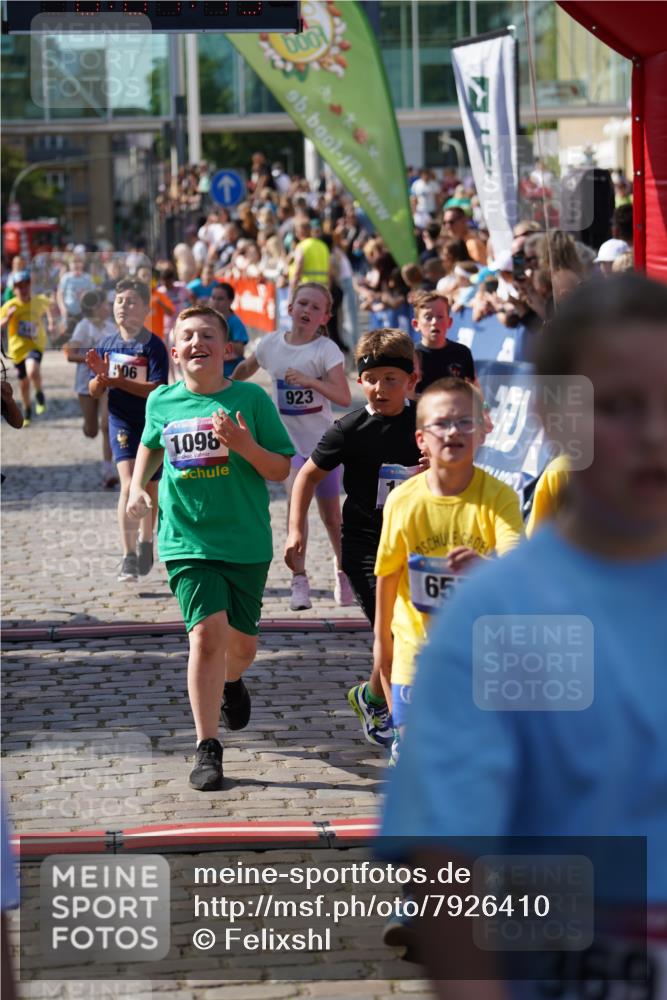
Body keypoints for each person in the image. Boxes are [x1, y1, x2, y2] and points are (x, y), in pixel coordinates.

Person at [381, 274, 667, 997]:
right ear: (553, 417)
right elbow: (448, 865)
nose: (654, 433)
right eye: (620, 407)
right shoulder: (499, 620)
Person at [126, 306, 294, 791]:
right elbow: (150, 443)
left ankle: (231, 681)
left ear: (226, 349)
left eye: (207, 335)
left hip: (245, 542)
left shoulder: (250, 400)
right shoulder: (162, 400)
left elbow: (280, 470)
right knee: (205, 636)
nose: (197, 342)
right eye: (187, 337)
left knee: (241, 647)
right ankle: (207, 747)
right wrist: (139, 486)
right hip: (186, 540)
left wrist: (242, 443)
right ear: (175, 352)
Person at [285, 328, 423, 749]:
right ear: (358, 380)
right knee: (394, 638)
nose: (380, 388)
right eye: (372, 378)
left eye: (391, 379)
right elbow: (306, 477)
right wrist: (296, 531)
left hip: (418, 545)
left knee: (408, 638)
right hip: (366, 547)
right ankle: (404, 736)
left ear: (411, 381)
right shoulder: (349, 429)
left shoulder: (426, 423)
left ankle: (370, 696)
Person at [375, 377, 523, 765]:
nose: (454, 431)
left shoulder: (498, 497)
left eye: (465, 422)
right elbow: (388, 574)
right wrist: (381, 644)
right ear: (421, 438)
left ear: (482, 433)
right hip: (415, 652)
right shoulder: (403, 501)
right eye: (442, 423)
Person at [233, 282, 353, 611]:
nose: (307, 311)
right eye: (302, 303)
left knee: (332, 518)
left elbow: (343, 396)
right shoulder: (270, 344)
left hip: (325, 447)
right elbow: (245, 369)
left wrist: (311, 381)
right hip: (289, 448)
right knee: (295, 518)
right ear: (289, 308)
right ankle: (299, 580)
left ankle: (343, 571)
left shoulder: (325, 350)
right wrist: (222, 387)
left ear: (325, 317)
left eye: (316, 308)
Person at [86, 278, 169, 582]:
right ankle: (128, 555)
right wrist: (101, 380)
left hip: (151, 422)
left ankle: (147, 540)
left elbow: (157, 389)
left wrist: (117, 380)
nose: (124, 306)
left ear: (146, 309)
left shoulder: (153, 345)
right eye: (120, 301)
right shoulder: (107, 344)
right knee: (127, 485)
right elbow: (94, 389)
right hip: (121, 421)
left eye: (132, 301)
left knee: (149, 487)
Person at [65, 289, 118, 489]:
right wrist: (91, 359)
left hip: (106, 381)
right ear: (96, 308)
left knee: (106, 425)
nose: (109, 308)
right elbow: (70, 354)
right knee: (92, 431)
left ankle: (108, 470)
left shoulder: (112, 328)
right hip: (84, 383)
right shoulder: (83, 327)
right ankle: (88, 425)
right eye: (105, 304)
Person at [0, 270, 58, 425]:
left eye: (25, 285)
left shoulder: (39, 300)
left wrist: (52, 322)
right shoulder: (10, 306)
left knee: (32, 370)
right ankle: (26, 411)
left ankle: (39, 394)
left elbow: (50, 307)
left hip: (35, 345)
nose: (23, 289)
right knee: (24, 384)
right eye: (19, 286)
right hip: (17, 350)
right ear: (14, 289)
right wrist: (7, 318)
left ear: (30, 285)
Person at [412, 291, 475, 393]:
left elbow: (472, 387)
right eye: (428, 317)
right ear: (416, 324)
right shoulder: (411, 356)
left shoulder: (462, 352)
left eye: (440, 316)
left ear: (449, 322)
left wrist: (481, 405)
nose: (434, 322)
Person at [208, 282, 249, 379]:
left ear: (230, 301)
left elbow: (240, 350)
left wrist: (218, 339)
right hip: (213, 372)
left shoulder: (235, 322)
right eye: (213, 298)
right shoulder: (208, 320)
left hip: (231, 373)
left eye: (220, 299)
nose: (215, 302)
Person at [288, 219, 331, 295]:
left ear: (301, 231)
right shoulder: (323, 246)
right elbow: (329, 271)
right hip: (322, 289)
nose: (296, 233)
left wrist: (293, 288)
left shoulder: (301, 246)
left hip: (306, 289)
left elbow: (298, 268)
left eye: (296, 231)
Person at [57, 255, 95, 336]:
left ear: (83, 264)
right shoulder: (66, 278)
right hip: (69, 312)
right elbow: (60, 294)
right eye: (74, 262)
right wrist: (63, 308)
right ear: (70, 265)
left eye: (79, 262)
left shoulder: (88, 278)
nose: (76, 264)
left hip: (83, 312)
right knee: (67, 336)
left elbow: (93, 294)